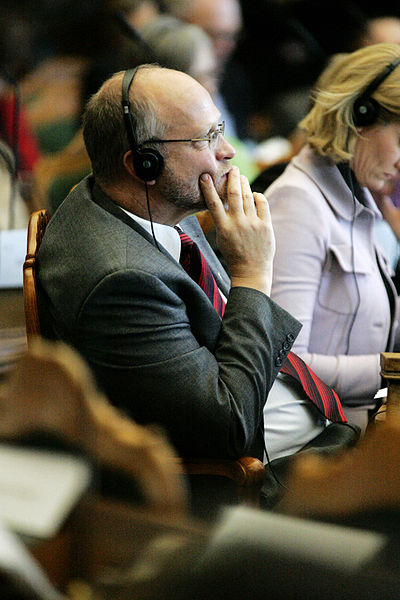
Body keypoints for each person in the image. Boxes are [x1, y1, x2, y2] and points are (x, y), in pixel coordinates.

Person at [36, 65, 358, 502]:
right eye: (206, 138)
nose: (228, 151)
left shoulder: (157, 207)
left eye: (220, 130)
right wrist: (252, 273)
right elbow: (227, 429)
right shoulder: (121, 280)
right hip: (258, 483)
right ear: (142, 164)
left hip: (306, 437)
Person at [264, 43, 400, 432]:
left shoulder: (360, 198)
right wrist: (392, 369)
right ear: (361, 116)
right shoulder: (298, 203)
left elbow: (383, 321)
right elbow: (287, 361)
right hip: (320, 441)